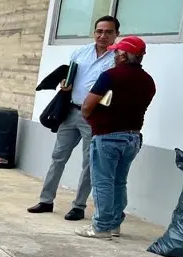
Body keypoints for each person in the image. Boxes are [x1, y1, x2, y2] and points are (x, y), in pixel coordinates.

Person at [28, 15, 120, 221]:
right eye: (99, 31)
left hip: (96, 116)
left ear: (116, 34)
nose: (103, 35)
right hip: (71, 112)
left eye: (108, 32)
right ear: (94, 32)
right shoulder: (81, 52)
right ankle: (46, 200)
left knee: (90, 162)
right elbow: (71, 76)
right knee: (58, 157)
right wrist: (64, 84)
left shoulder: (117, 58)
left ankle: (78, 206)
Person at [77, 36, 156, 239]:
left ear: (122, 55)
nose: (114, 55)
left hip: (107, 136)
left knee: (103, 182)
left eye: (116, 52)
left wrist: (91, 119)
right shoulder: (148, 81)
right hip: (133, 137)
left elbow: (86, 106)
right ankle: (114, 224)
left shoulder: (110, 76)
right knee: (119, 182)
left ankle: (101, 227)